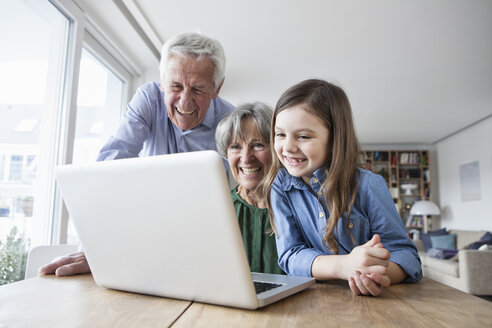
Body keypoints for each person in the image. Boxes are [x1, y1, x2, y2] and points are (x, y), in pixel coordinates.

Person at [39, 32, 234, 277]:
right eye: (175, 86)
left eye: (197, 89)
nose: (185, 101)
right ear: (162, 81)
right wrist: (95, 248)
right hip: (142, 232)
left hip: (199, 240)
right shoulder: (150, 99)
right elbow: (110, 168)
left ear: (217, 88)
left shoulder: (231, 122)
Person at [264, 79, 422, 296]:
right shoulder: (280, 188)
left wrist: (375, 275)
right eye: (280, 134)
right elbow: (290, 255)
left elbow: (406, 255)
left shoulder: (369, 185)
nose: (288, 147)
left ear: (335, 138)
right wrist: (345, 266)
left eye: (303, 136)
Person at [215, 102, 284, 274]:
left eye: (258, 145)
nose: (246, 159)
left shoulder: (299, 208)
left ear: (277, 149)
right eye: (235, 147)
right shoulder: (218, 209)